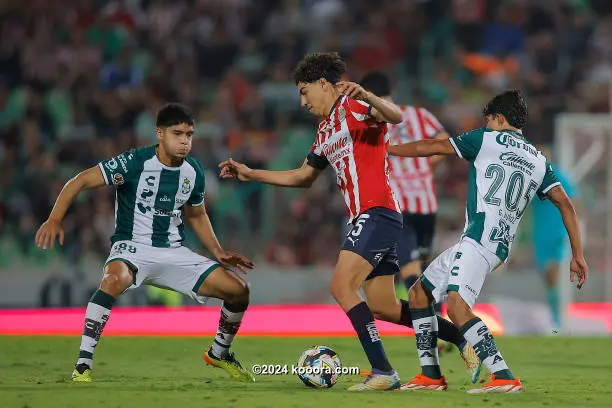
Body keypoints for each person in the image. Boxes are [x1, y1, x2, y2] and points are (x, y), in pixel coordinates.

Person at [218, 52, 479, 391]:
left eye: (304, 90)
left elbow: (395, 116)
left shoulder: (354, 107)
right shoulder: (325, 130)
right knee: (383, 306)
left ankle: (383, 371)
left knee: (341, 285)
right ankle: (460, 338)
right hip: (371, 217)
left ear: (323, 84)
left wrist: (368, 95)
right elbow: (302, 176)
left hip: (379, 211)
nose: (302, 101)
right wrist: (251, 173)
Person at [35, 103, 256, 383]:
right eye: (178, 134)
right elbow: (79, 181)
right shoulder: (134, 162)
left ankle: (219, 352)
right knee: (114, 280)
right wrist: (54, 219)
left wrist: (218, 252)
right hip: (132, 247)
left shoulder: (194, 171)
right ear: (160, 134)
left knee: (239, 290)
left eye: (189, 134)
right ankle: (83, 364)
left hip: (174, 252)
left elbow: (197, 214)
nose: (185, 141)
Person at [388, 90, 588, 393]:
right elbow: (567, 205)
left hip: (479, 240)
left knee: (455, 306)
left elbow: (432, 146)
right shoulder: (538, 160)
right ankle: (430, 375)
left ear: (498, 118)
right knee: (419, 294)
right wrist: (578, 255)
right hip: (496, 245)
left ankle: (504, 376)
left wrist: (388, 148)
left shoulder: (485, 138)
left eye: (489, 119)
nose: (488, 123)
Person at [359, 71, 458, 355]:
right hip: (426, 204)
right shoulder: (418, 114)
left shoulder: (371, 120)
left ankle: (435, 336)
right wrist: (427, 168)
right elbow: (444, 141)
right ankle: (440, 330)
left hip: (398, 206)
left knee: (413, 275)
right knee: (421, 271)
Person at [531, 145, 578, 329]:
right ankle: (557, 318)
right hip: (540, 235)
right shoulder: (532, 179)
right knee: (549, 280)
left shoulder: (559, 177)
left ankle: (559, 321)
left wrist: (576, 229)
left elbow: (575, 202)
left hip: (557, 233)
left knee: (553, 276)